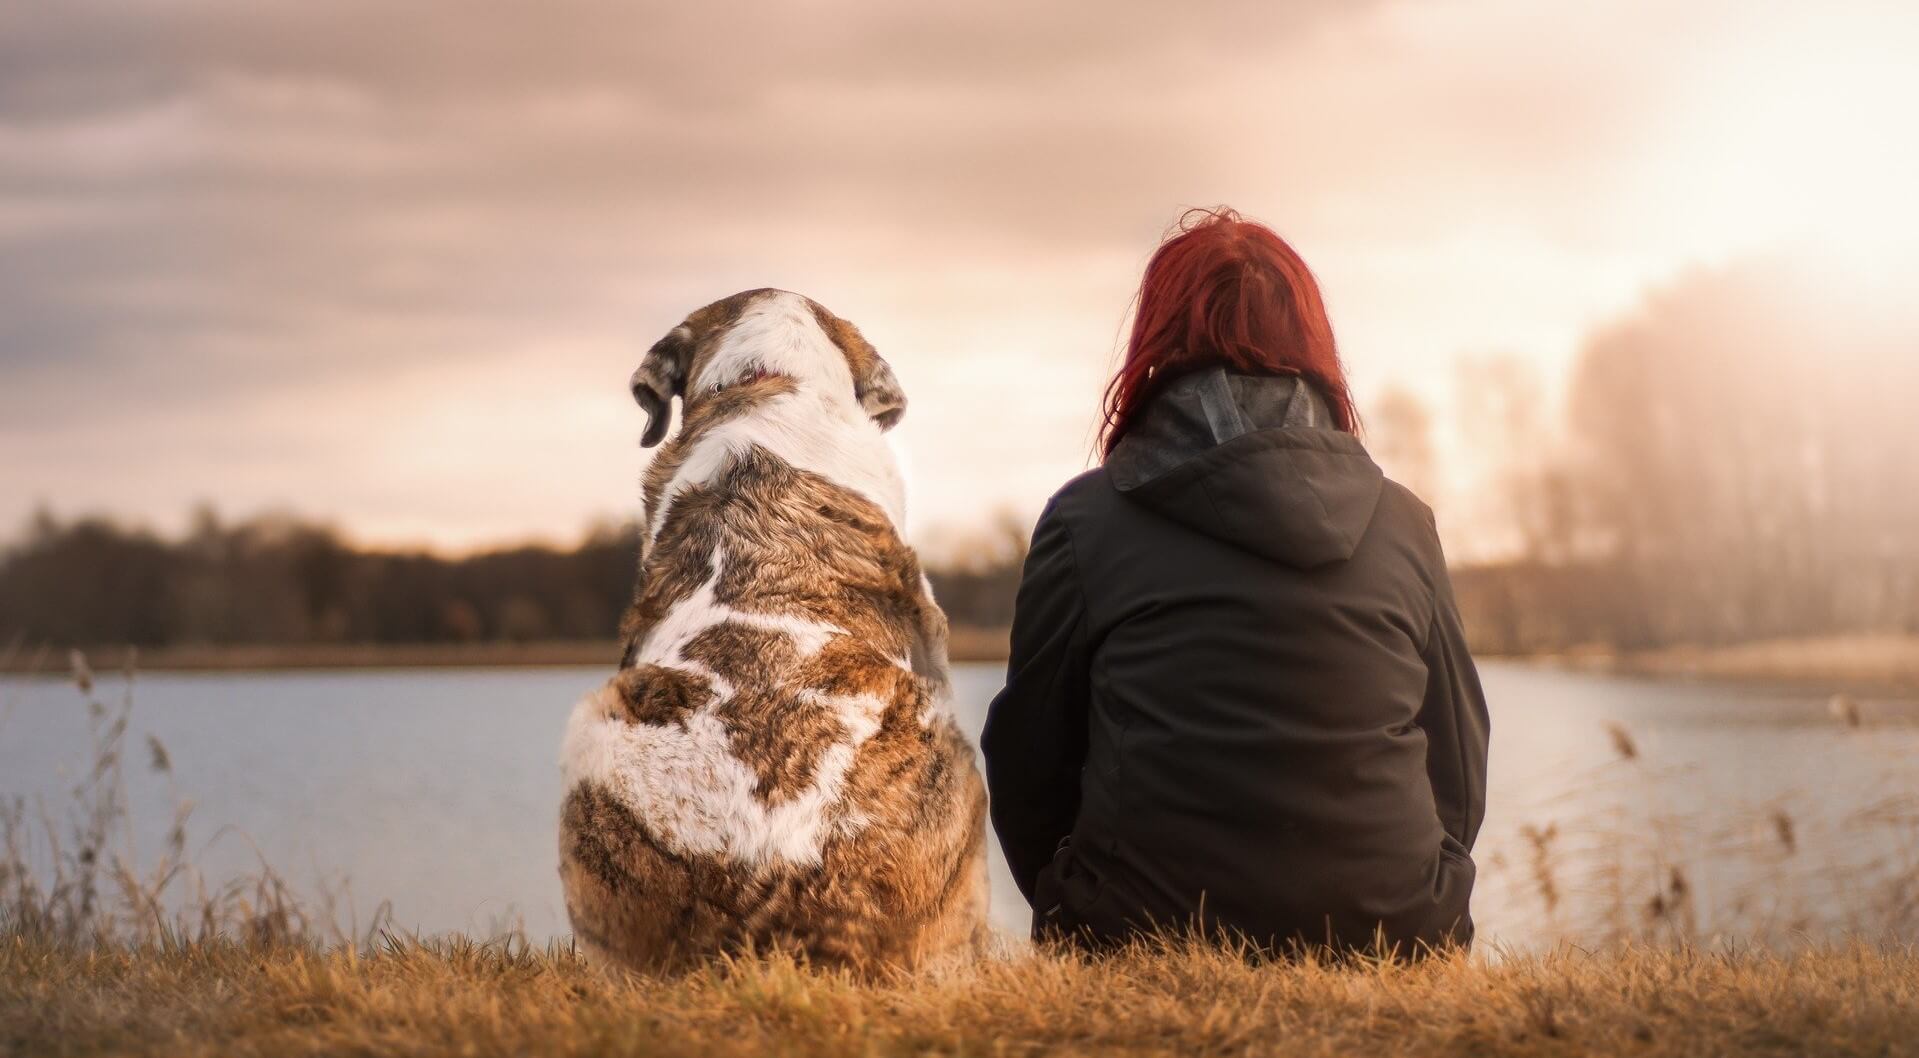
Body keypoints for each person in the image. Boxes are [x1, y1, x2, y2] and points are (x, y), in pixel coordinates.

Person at [981, 207, 1489, 957]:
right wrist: (1418, 888)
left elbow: (1028, 761)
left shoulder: (1086, 521)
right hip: (1394, 931)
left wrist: (1074, 899)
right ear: (1311, 342)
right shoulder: (1403, 522)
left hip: (1138, 931)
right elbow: (1457, 757)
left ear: (1155, 340)